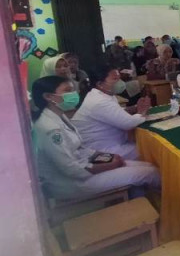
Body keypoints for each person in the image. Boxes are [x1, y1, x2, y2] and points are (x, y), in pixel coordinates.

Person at [31, 76, 160, 200]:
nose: (73, 94)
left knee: (148, 166)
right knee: (150, 173)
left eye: (73, 90)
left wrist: (109, 157)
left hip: (84, 167)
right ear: (49, 97)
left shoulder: (60, 117)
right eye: (67, 91)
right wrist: (110, 165)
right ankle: (167, 203)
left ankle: (139, 201)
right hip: (72, 183)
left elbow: (81, 149)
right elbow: (72, 169)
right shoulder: (50, 129)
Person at [72, 63, 152, 161]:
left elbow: (113, 112)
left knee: (146, 146)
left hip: (111, 143)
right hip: (102, 150)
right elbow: (128, 123)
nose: (119, 82)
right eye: (115, 79)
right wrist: (142, 111)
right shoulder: (99, 101)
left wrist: (133, 108)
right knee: (150, 150)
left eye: (119, 78)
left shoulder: (104, 94)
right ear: (100, 84)